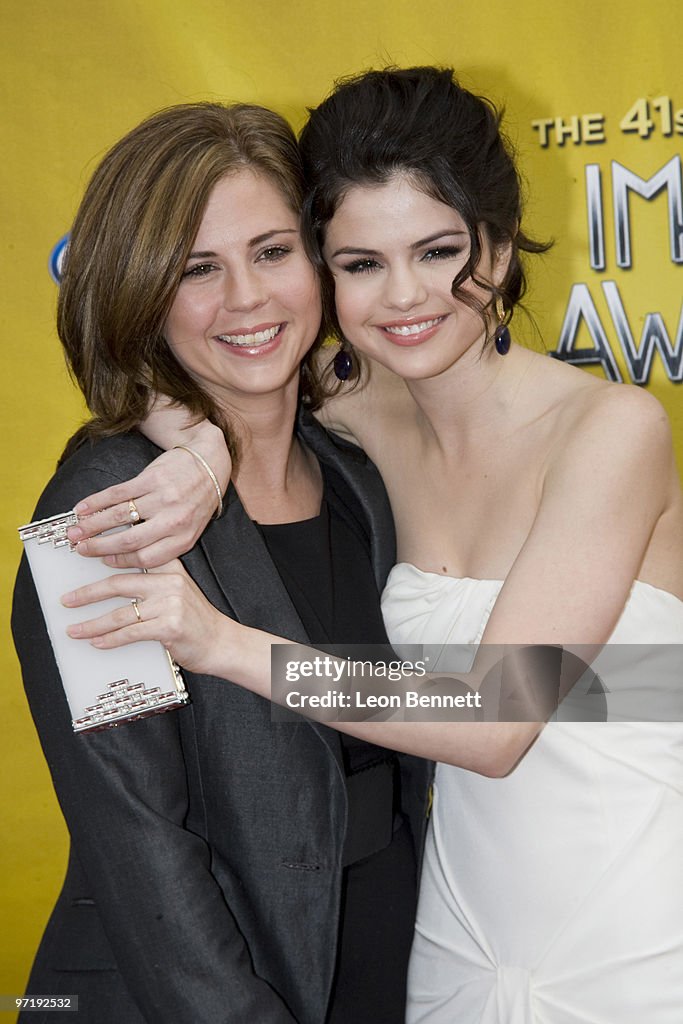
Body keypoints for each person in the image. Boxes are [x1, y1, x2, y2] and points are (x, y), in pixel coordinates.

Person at [60, 69, 683, 1022]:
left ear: (502, 246)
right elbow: (200, 349)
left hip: (627, 918)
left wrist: (226, 644)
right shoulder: (358, 422)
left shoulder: (612, 429)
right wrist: (196, 449)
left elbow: (494, 715)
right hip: (450, 932)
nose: (404, 296)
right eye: (358, 263)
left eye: (438, 252)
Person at [11, 99, 432, 1024]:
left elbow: (476, 706)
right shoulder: (97, 512)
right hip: (201, 986)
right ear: (139, 292)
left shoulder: (359, 477)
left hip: (388, 957)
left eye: (272, 252)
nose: (247, 299)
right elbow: (136, 839)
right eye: (198, 269)